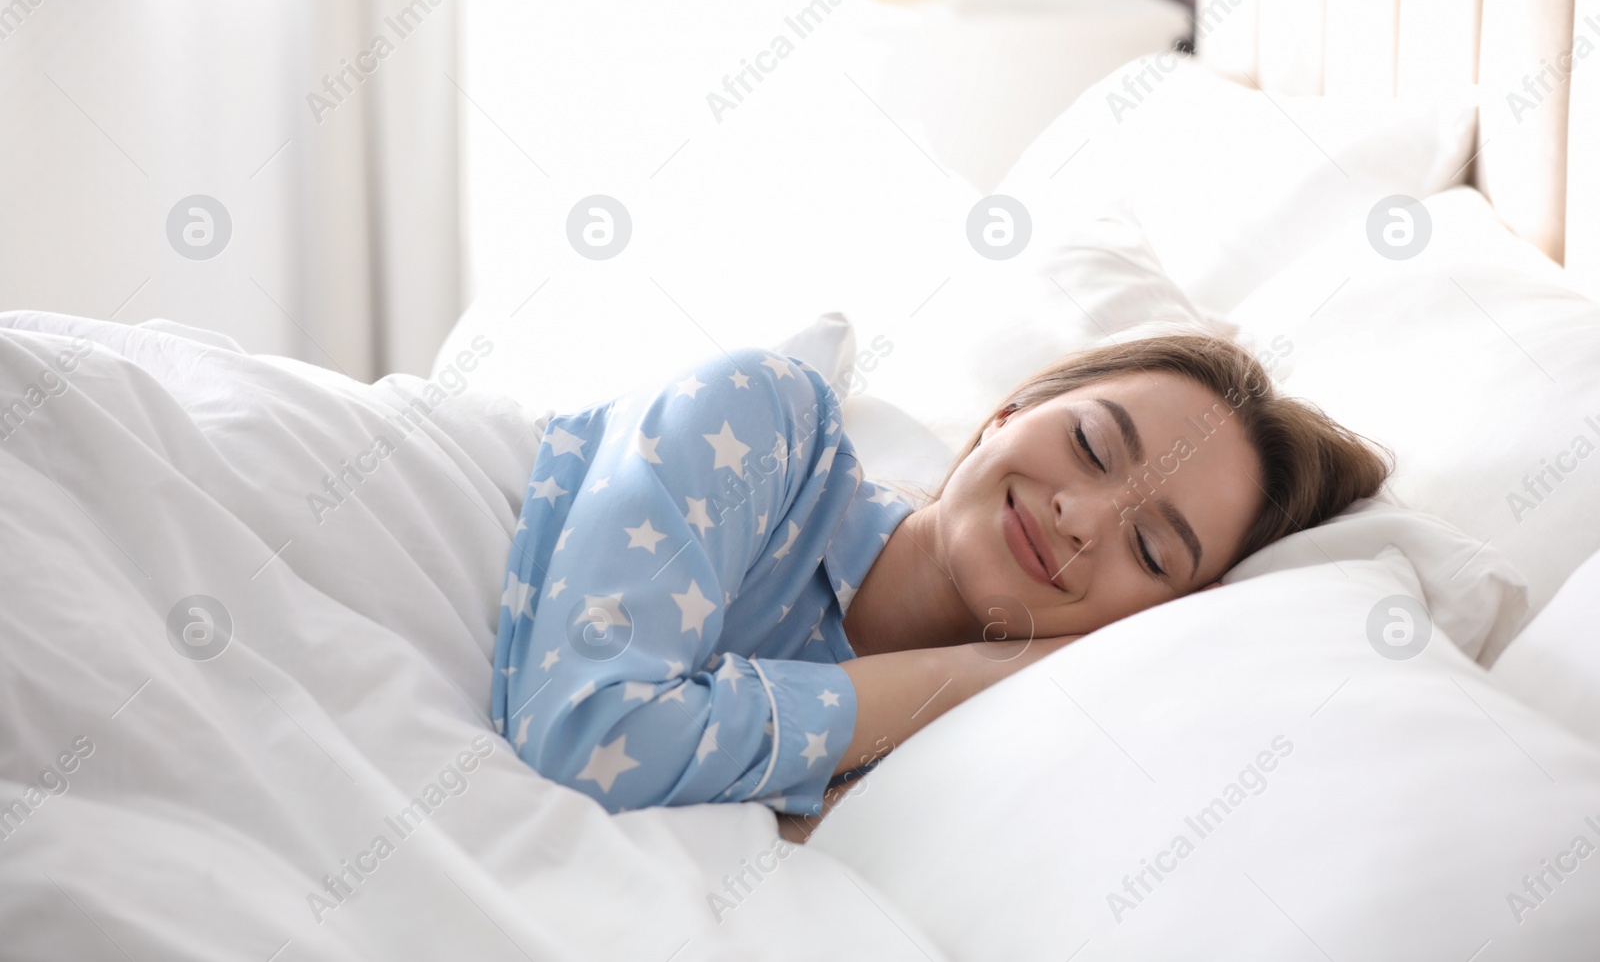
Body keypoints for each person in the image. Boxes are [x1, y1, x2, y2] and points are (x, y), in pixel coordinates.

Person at [489, 332, 1391, 840]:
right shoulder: (766, 421)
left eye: (1152, 549)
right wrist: (968, 670)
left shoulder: (983, 765)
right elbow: (586, 734)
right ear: (1008, 413)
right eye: (1090, 445)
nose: (1083, 516)